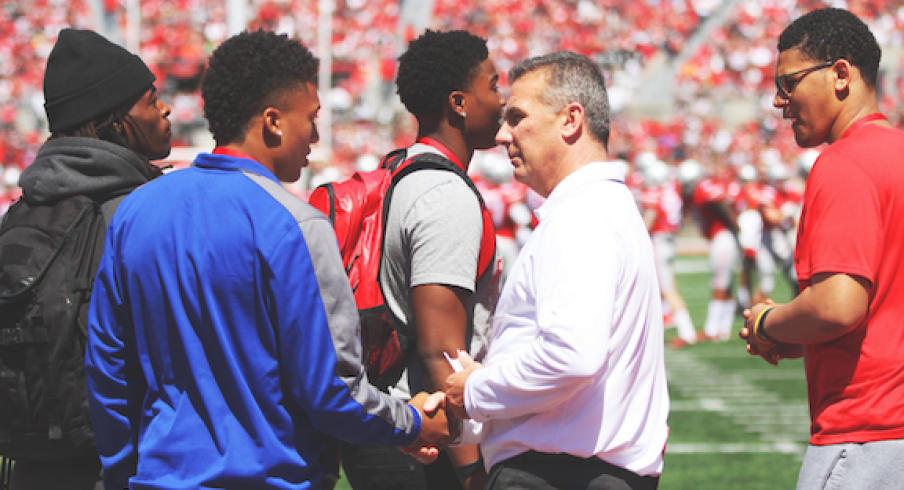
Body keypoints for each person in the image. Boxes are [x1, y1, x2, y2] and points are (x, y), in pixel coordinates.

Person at [84, 30, 452, 490]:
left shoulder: (137, 211)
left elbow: (108, 372)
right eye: (312, 118)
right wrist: (412, 423)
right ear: (274, 121)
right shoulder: (296, 225)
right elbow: (331, 391)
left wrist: (123, 472)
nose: (316, 136)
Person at [440, 51, 669, 490]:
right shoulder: (599, 207)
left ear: (570, 120)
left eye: (517, 117)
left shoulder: (582, 214)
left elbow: (571, 355)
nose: (502, 134)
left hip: (557, 474)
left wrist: (475, 390)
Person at [741, 8, 904, 489]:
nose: (778, 100)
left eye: (789, 83)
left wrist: (766, 323)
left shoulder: (843, 162)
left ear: (840, 74)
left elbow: (837, 306)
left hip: (868, 432)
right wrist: (798, 335)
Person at [339, 29, 505, 490]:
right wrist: (472, 471)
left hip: (394, 424)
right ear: (459, 101)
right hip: (425, 438)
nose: (502, 100)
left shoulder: (401, 169)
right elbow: (440, 351)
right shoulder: (444, 194)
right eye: (492, 86)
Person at [7, 28, 172, 490]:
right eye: (150, 99)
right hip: (128, 465)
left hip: (32, 466)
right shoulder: (145, 212)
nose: (165, 109)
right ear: (116, 120)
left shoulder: (22, 212)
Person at [678, 157, 741, 342]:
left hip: (722, 238)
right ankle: (724, 329)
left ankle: (713, 328)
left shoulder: (704, 188)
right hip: (722, 238)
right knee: (726, 283)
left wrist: (735, 228)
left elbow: (721, 204)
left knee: (719, 283)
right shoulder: (697, 191)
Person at [638, 159, 697, 348]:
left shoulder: (656, 193)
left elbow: (649, 221)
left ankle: (687, 332)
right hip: (670, 239)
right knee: (665, 284)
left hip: (660, 241)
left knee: (667, 289)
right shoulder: (672, 191)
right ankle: (665, 319)